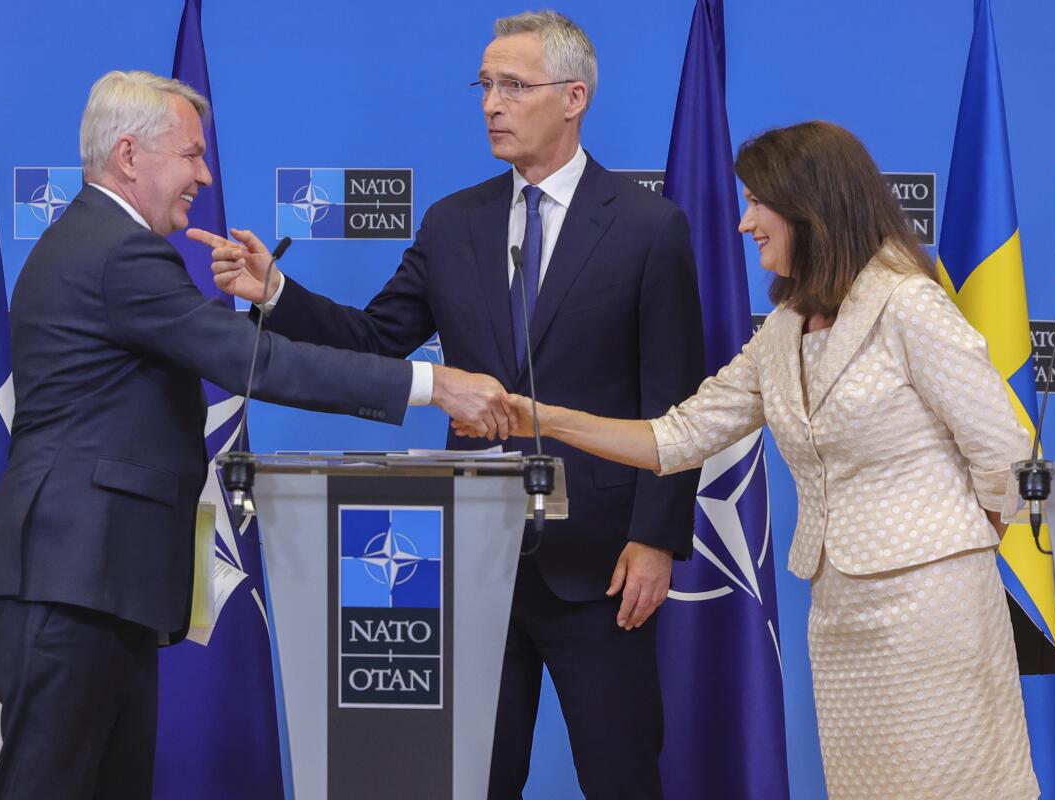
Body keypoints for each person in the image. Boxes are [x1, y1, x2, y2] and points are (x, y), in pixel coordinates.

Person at [189, 10, 704, 797]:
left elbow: (673, 398)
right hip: (472, 559)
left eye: (513, 86)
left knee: (621, 772)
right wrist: (277, 293)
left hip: (600, 563)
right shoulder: (453, 221)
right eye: (485, 86)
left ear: (574, 97)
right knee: (474, 777)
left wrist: (656, 539)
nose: (492, 103)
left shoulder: (648, 227)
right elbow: (374, 338)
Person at [0, 70, 508, 800]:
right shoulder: (114, 251)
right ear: (130, 156)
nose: (205, 172)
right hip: (72, 580)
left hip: (99, 580)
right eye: (190, 153)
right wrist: (431, 385)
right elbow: (254, 360)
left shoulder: (98, 241)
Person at [481, 120, 1040, 800]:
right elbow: (675, 437)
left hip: (933, 608)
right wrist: (543, 418)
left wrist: (957, 549)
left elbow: (1008, 455)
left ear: (811, 206)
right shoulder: (784, 329)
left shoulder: (907, 305)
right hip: (839, 609)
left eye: (757, 203)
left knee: (949, 784)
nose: (744, 223)